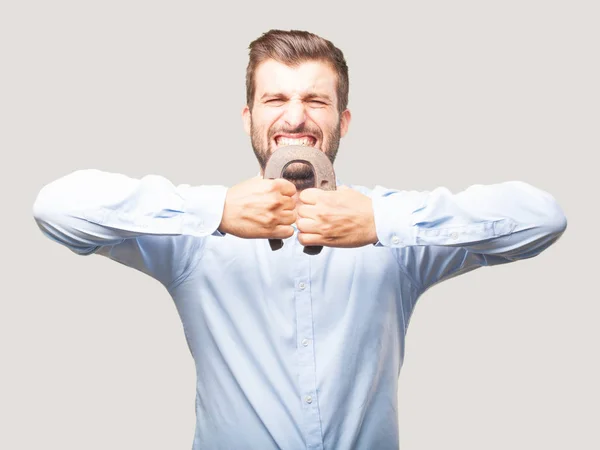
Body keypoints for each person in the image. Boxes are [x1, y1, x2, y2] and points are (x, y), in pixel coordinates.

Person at [32, 29, 567, 450]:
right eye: (275, 99)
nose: (295, 117)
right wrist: (214, 209)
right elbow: (57, 209)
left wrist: (381, 220)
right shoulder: (192, 234)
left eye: (315, 99)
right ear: (249, 118)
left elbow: (541, 218)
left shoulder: (396, 231)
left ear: (343, 120)